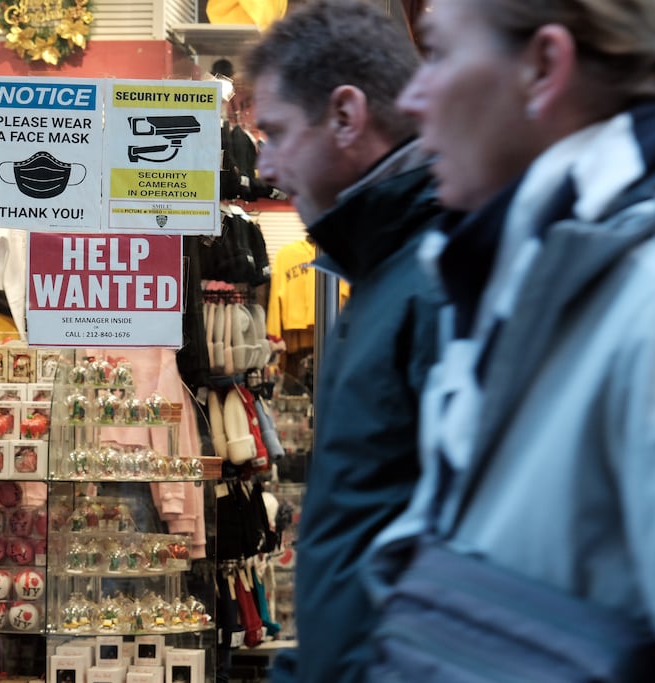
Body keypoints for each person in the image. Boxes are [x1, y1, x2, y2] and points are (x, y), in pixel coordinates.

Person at [364, 0, 655, 669]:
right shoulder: (504, 277)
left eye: (438, 53)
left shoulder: (650, 299)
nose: (412, 98)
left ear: (544, 67)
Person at [241, 2, 443, 680]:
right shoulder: (384, 274)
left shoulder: (435, 282)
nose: (266, 166)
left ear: (347, 116)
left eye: (276, 132)